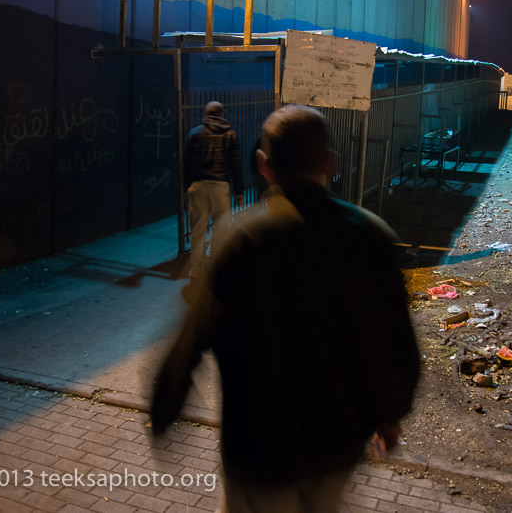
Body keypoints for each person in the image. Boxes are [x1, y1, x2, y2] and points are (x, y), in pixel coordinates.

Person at [152, 104, 420, 513]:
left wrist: (165, 405)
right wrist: (390, 413)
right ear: (330, 163)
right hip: (337, 448)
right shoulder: (370, 236)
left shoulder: (238, 239)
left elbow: (191, 338)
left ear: (265, 165)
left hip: (258, 455)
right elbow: (394, 341)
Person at [184, 101, 243, 280]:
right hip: (221, 186)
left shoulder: (195, 133)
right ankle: (217, 267)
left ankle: (196, 269)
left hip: (198, 186)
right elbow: (236, 164)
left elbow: (186, 163)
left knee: (198, 230)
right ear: (221, 114)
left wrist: (186, 187)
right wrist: (239, 191)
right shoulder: (230, 134)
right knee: (221, 228)